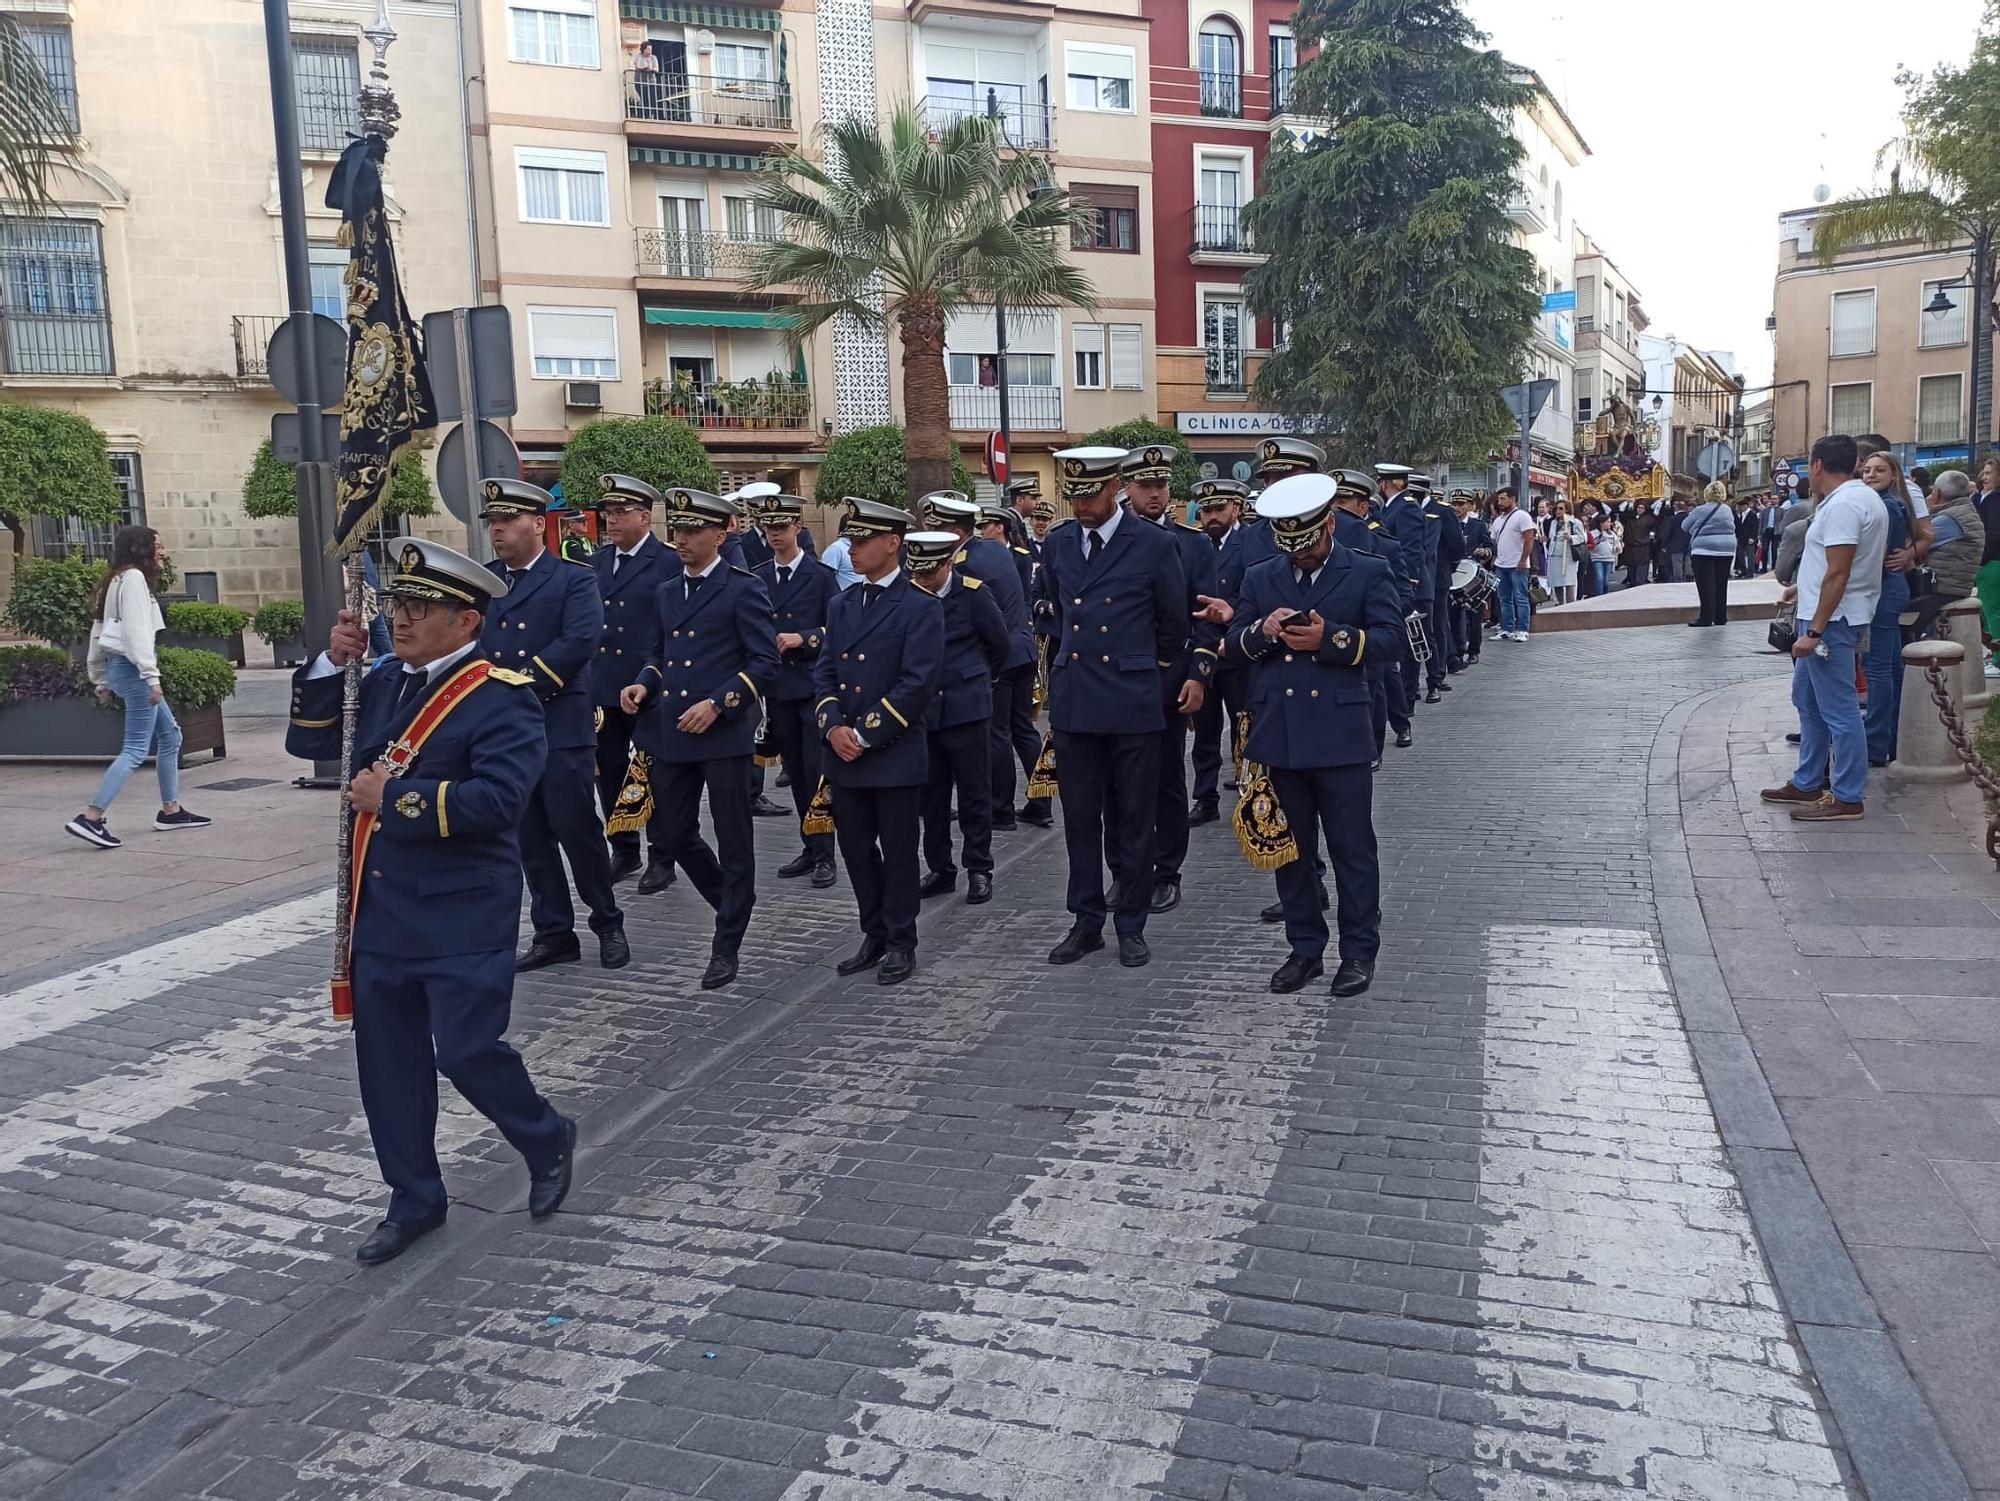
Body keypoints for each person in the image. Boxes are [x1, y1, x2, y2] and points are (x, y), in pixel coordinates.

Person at [287, 539, 574, 1265]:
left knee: (468, 1050)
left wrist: (399, 797)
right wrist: (332, 661)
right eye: (398, 604)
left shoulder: (503, 696)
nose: (402, 619)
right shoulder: (384, 679)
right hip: (383, 910)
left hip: (461, 908)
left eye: (421, 607)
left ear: (466, 620)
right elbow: (311, 737)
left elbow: (502, 799)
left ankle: (544, 1135)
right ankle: (414, 1196)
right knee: (389, 1065)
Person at [1214, 473, 1402, 999]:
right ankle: (1305, 949)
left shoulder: (1368, 570)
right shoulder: (1260, 575)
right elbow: (1233, 643)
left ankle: (1359, 952)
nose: (1300, 556)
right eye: (1290, 547)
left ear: (1330, 525)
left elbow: (1391, 642)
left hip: (1340, 735)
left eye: (1309, 545)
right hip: (1281, 734)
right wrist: (1261, 632)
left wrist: (1333, 638)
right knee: (1290, 851)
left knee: (1352, 852)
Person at [1034, 445, 1189, 968]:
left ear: (1116, 486)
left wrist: (1146, 671)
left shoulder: (1151, 543)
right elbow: (1055, 609)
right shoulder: (1058, 545)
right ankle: (1086, 920)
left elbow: (1173, 626)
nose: (1082, 505)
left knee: (1133, 817)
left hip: (1131, 702)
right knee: (1079, 819)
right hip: (1077, 701)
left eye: (1092, 494)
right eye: (1074, 494)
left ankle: (1131, 922)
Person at [620, 487, 779, 990]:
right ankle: (732, 902)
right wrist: (643, 682)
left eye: (692, 531)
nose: (681, 539)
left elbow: (764, 662)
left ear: (720, 532)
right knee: (674, 833)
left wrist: (720, 702)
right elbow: (659, 651)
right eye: (678, 530)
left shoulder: (742, 587)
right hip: (672, 733)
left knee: (735, 842)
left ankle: (726, 943)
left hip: (723, 733)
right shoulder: (667, 590)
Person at [478, 480, 629, 973]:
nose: (496, 530)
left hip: (559, 723)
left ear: (535, 524)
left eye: (506, 521)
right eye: (492, 522)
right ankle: (553, 932)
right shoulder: (486, 583)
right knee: (530, 836)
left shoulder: (573, 579)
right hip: (507, 731)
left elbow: (581, 639)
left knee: (576, 829)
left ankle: (607, 922)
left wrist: (518, 683)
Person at [813, 499, 945, 985]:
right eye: (851, 539)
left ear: (893, 544)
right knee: (856, 849)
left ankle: (901, 940)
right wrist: (832, 727)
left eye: (863, 540)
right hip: (844, 751)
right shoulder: (842, 603)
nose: (854, 549)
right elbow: (824, 671)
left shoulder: (920, 606)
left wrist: (863, 734)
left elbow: (916, 684)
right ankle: (872, 931)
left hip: (891, 752)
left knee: (897, 848)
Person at [1761, 435, 1887, 822]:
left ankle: (1847, 794)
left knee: (1839, 709)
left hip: (1831, 621)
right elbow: (1836, 565)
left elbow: (1840, 571)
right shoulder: (1855, 499)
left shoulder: (1846, 505)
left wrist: (1813, 631)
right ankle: (1808, 779)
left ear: (1816, 465)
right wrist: (1802, 587)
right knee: (1808, 701)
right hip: (1826, 612)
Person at [66, 526, 211, 849]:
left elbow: (99, 631)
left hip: (125, 670)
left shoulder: (117, 578)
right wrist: (151, 677)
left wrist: (100, 677)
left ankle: (171, 811)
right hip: (135, 672)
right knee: (134, 749)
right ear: (141, 549)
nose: (162, 551)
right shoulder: (132, 580)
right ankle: (91, 817)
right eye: (157, 546)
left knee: (171, 736)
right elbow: (136, 634)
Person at [1121, 444, 1219, 913]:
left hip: (1165, 680)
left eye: (1161, 485)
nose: (1155, 494)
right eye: (1145, 486)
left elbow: (1205, 617)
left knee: (1163, 779)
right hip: (1116, 682)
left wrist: (1198, 673)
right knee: (1117, 785)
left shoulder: (1192, 543)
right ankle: (1126, 871)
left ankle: (1166, 870)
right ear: (1127, 488)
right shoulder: (1106, 538)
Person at [919, 492, 1039, 833]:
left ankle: (1000, 809)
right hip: (1023, 650)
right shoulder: (994, 549)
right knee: (1023, 730)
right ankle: (1041, 799)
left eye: (936, 531)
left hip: (999, 657)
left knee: (996, 735)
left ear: (954, 535)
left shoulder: (964, 563)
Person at [590, 474, 680, 894]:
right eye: (608, 513)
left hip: (651, 683)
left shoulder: (667, 562)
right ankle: (623, 847)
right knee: (609, 771)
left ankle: (663, 854)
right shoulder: (597, 561)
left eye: (621, 512)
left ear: (645, 516)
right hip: (604, 685)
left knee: (653, 771)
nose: (612, 520)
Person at [912, 531, 1008, 905]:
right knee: (931, 798)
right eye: (917, 571)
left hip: (966, 710)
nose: (923, 579)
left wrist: (979, 680)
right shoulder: (912, 594)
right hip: (926, 713)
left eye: (930, 572)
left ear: (948, 564)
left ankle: (979, 868)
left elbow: (999, 646)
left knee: (973, 794)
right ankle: (940, 868)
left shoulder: (972, 594)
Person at [754, 493, 840, 889]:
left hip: (811, 687)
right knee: (797, 775)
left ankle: (825, 852)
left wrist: (804, 638)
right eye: (768, 528)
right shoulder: (758, 577)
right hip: (777, 689)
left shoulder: (820, 576)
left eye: (781, 527)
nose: (774, 534)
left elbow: (837, 631)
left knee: (816, 772)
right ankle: (809, 845)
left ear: (797, 529)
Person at [1187, 478, 1272, 820]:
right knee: (1205, 732)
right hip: (1204, 653)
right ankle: (1205, 799)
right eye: (1206, 510)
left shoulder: (1251, 542)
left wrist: (1234, 612)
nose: (1211, 517)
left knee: (1245, 725)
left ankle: (1251, 792)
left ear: (1235, 508)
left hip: (1239, 652)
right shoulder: (1194, 545)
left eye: (1219, 509)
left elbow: (1261, 594)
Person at [1857, 448, 1918, 767]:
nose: (1871, 475)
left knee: (1877, 668)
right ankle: (1891, 738)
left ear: (1894, 475)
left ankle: (1876, 743)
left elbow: (1876, 554)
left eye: (1879, 470)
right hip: (1890, 588)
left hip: (1883, 590)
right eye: (1867, 470)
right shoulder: (1891, 504)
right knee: (1891, 667)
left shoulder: (1886, 506)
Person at [1924, 469, 1987, 604]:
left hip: (1943, 589)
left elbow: (1916, 544)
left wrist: (1924, 510)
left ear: (1938, 492)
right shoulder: (1964, 512)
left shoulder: (1948, 519)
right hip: (1956, 586)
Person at [1487, 486, 1537, 640]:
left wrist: (1523, 560)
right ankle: (1507, 628)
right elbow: (1494, 541)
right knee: (1504, 598)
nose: (1500, 502)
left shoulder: (1522, 516)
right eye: (1499, 499)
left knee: (1520, 597)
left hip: (1517, 565)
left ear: (1513, 499)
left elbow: (1529, 539)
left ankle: (1523, 629)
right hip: (1501, 565)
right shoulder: (1498, 520)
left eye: (1503, 499)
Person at [1686, 481, 1738, 627]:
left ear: (1707, 493)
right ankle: (1721, 616)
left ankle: (1706, 618)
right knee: (1721, 583)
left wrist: (1696, 531)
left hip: (1704, 549)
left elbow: (1685, 525)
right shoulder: (1727, 509)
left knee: (1706, 585)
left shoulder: (1700, 509)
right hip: (1727, 549)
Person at [1974, 455, 2000, 678]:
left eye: (1990, 473)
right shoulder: (1984, 498)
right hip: (1992, 561)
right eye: (1984, 473)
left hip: (1992, 562)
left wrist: (1981, 559)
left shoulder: (1994, 499)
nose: (1984, 477)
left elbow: (1993, 533)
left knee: (1993, 611)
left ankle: (1999, 661)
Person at [1541, 500, 1585, 606]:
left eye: (1561, 508)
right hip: (1554, 554)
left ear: (1567, 509)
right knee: (1557, 582)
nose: (1558, 511)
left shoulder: (1575, 522)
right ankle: (1560, 604)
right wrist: (1545, 539)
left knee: (1569, 581)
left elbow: (1582, 538)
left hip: (1567, 555)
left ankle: (1570, 606)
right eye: (1556, 508)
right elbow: (1552, 537)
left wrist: (1570, 537)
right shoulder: (1553, 522)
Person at [1586, 511, 1619, 598]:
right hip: (1597, 558)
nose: (1609, 524)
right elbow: (1590, 543)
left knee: (1606, 580)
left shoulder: (1611, 534)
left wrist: (1617, 549)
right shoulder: (1594, 533)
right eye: (1607, 522)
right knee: (1599, 577)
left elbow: (1617, 544)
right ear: (1601, 523)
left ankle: (1605, 595)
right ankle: (1599, 595)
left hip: (1609, 558)